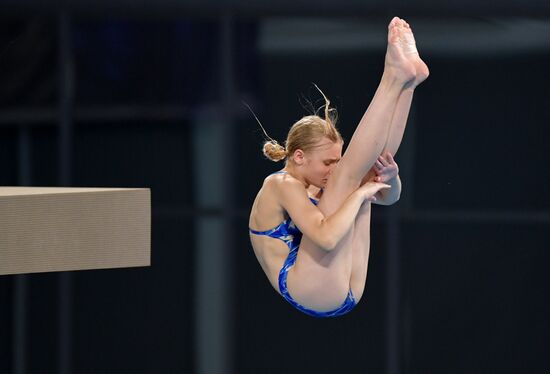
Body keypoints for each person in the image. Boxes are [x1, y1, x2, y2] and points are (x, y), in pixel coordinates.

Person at [248, 17, 429, 317]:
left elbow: (388, 196)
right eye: (327, 162)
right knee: (351, 179)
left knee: (367, 171)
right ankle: (392, 78)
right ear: (299, 157)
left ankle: (407, 84)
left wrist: (390, 178)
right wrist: (359, 194)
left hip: (346, 286)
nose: (333, 168)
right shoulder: (279, 185)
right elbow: (326, 237)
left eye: (336, 159)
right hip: (307, 288)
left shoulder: (318, 183)